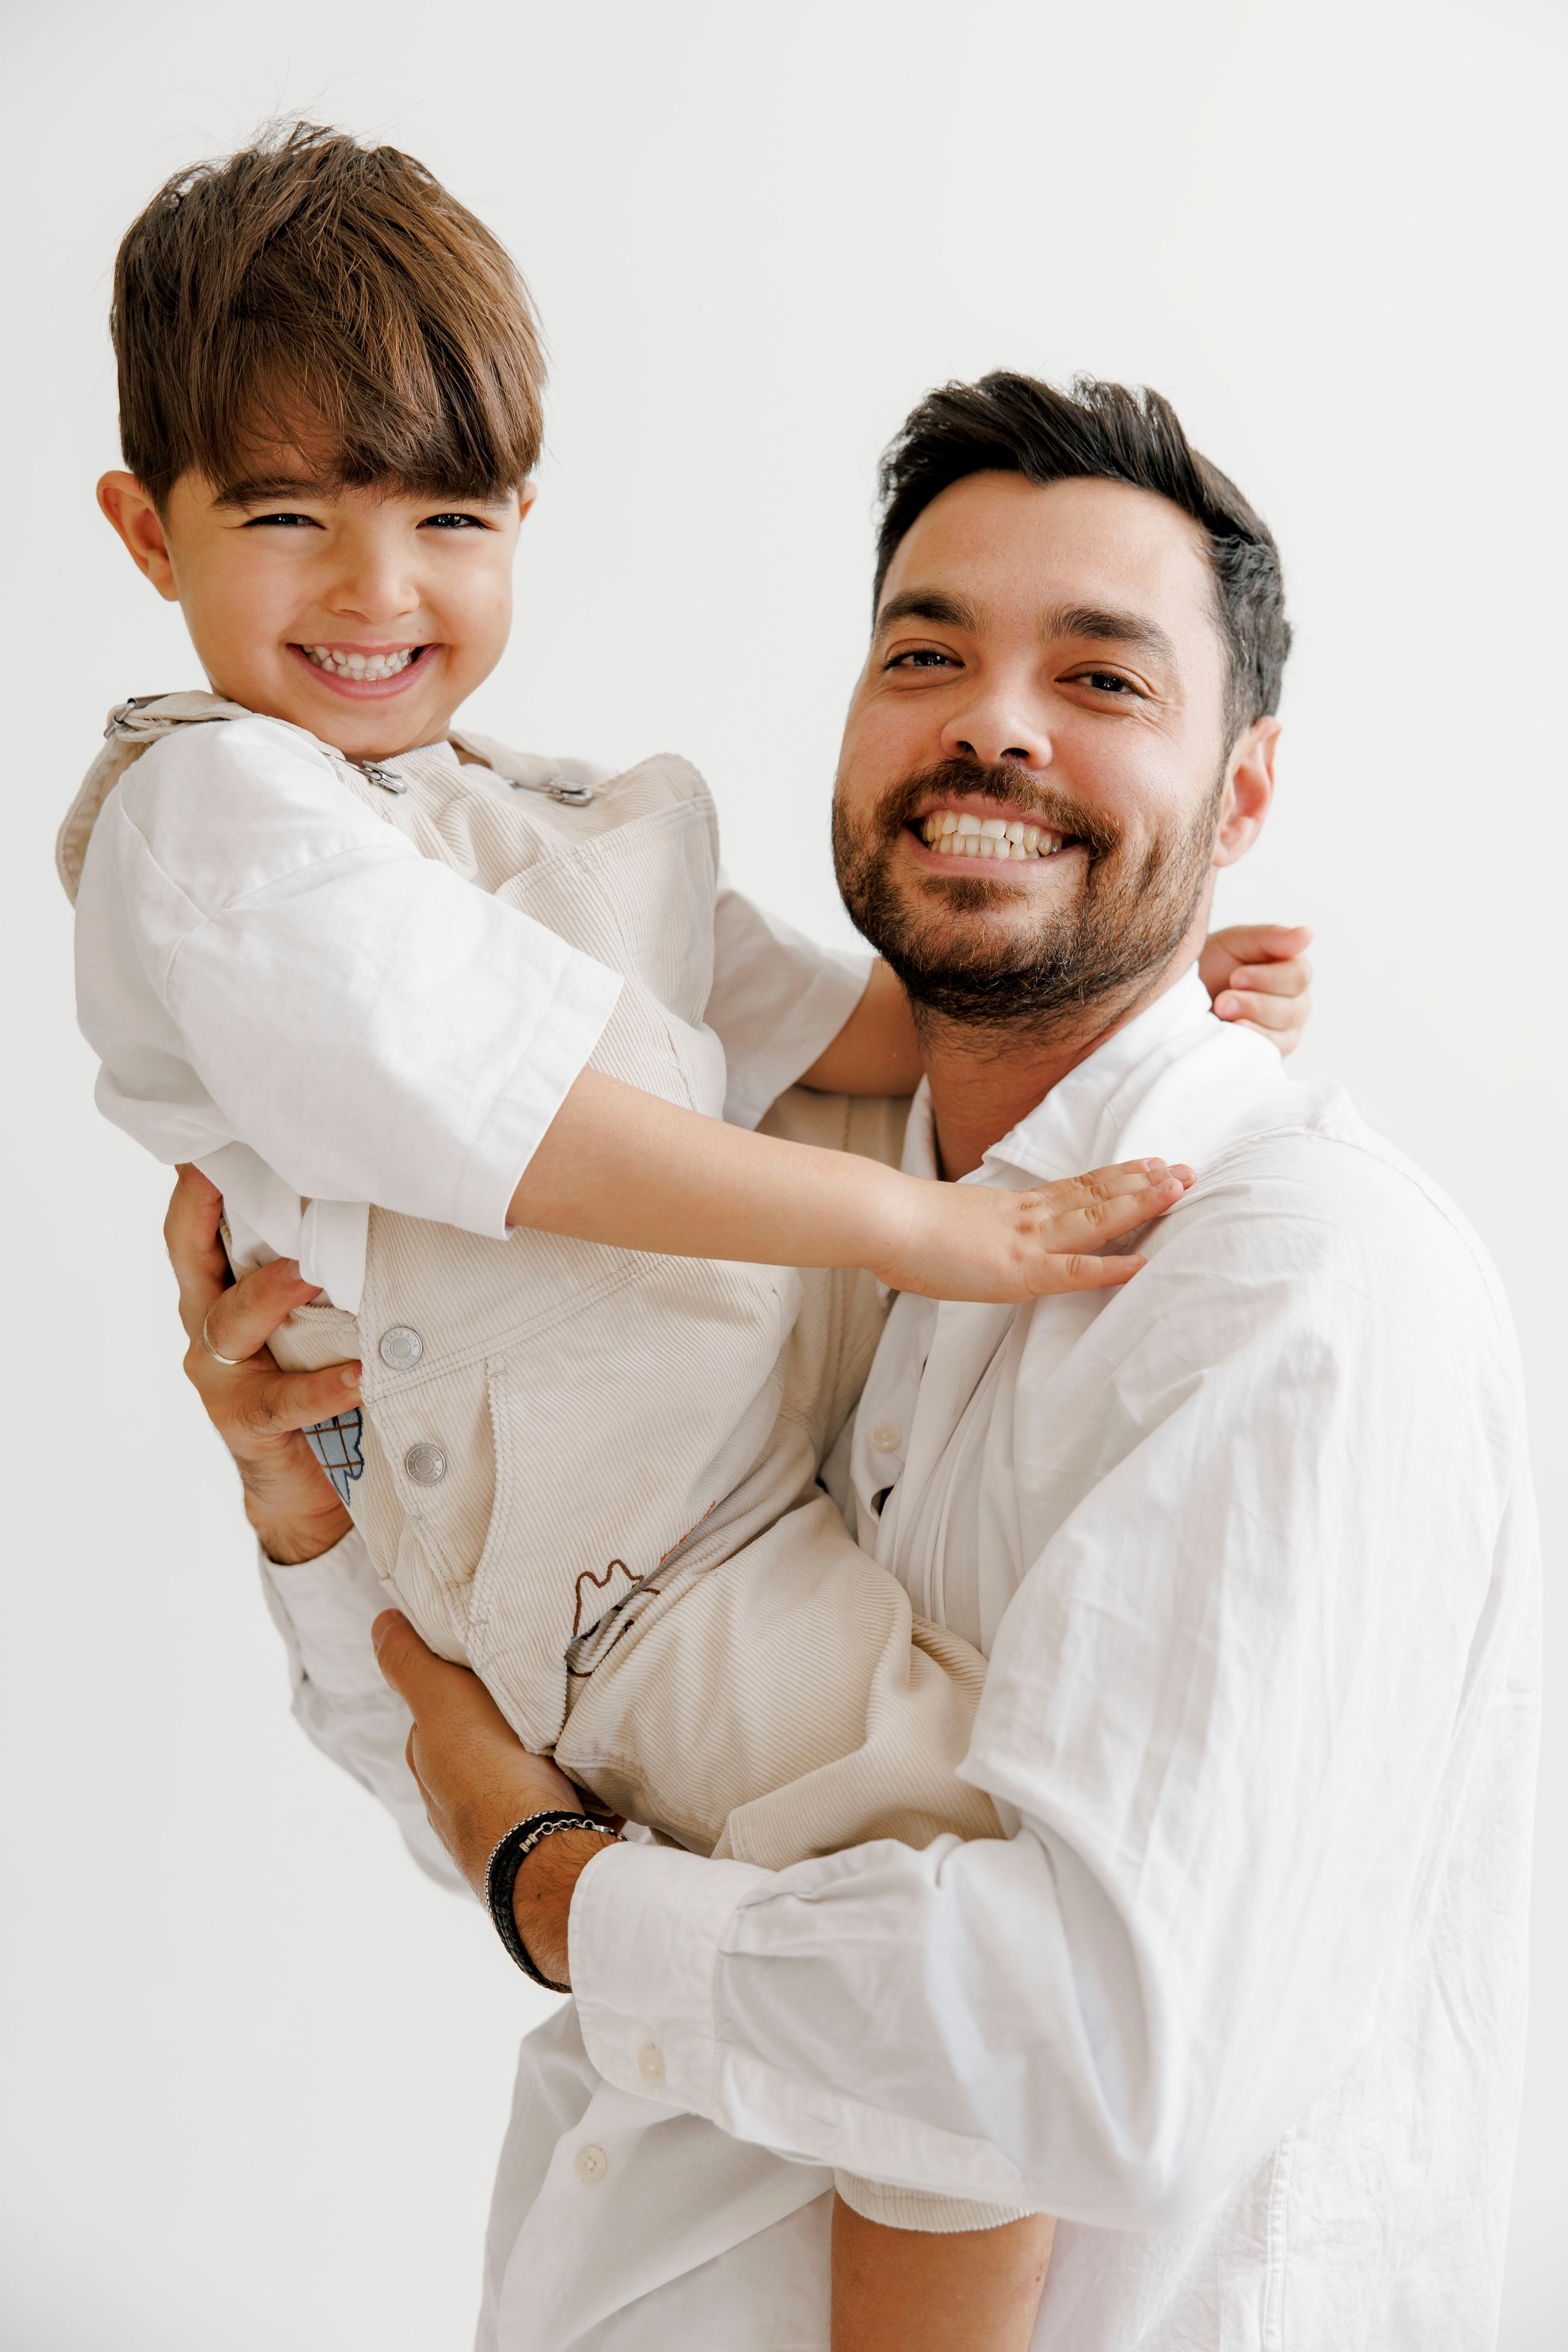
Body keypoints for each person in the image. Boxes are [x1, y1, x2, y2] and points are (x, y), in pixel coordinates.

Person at [70, 128, 1311, 2343]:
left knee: (952, 1893)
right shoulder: (216, 823)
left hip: (697, 1448)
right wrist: (933, 1237)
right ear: (144, 530)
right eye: (285, 518)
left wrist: (1164, 984)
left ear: (523, 521)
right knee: (940, 1857)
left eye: (447, 517)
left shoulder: (538, 816)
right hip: (617, 1530)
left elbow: (843, 1007)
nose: (377, 592)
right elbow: (538, 1134)